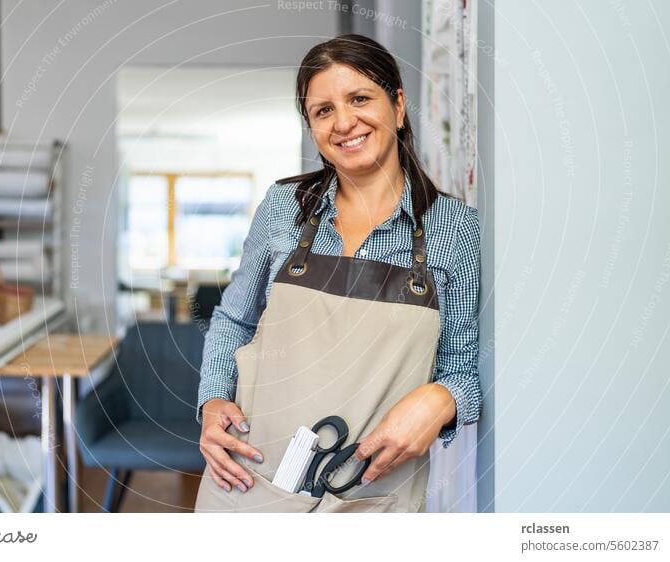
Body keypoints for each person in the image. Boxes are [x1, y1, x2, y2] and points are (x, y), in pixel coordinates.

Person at [194, 34, 482, 513]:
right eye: (323, 110)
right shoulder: (282, 209)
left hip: (369, 499)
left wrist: (443, 398)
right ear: (311, 127)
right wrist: (211, 401)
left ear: (399, 105)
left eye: (360, 99)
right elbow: (233, 320)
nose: (344, 122)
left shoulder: (456, 230)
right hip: (247, 479)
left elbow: (464, 365)